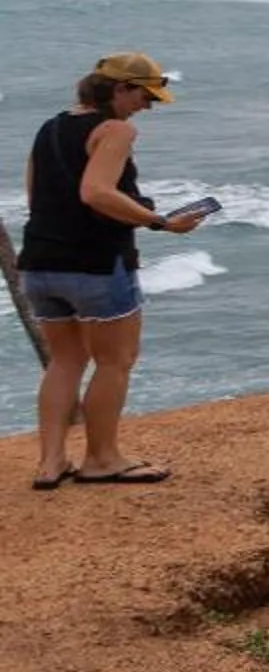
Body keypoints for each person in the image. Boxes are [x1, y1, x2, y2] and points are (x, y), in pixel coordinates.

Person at [22, 54, 201, 489]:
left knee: (64, 361)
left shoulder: (50, 127)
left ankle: (51, 464)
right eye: (144, 95)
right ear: (119, 89)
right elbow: (95, 192)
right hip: (97, 265)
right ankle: (101, 459)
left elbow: (34, 195)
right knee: (115, 361)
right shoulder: (116, 129)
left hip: (41, 263)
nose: (148, 106)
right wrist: (158, 221)